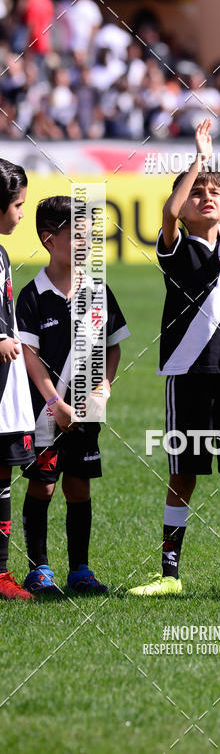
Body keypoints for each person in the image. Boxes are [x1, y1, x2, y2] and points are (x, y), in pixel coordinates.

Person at [127, 119, 220, 597]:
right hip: (186, 372)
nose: (206, 197)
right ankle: (169, 573)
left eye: (214, 191)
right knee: (183, 474)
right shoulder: (174, 245)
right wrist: (198, 159)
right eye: (198, 193)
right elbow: (170, 214)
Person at [16, 196, 130, 595]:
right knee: (43, 485)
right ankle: (39, 569)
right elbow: (28, 356)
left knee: (79, 485)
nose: (86, 243)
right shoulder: (31, 296)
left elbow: (114, 345)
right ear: (49, 239)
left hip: (85, 413)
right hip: (46, 414)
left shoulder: (98, 291)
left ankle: (80, 570)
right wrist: (54, 402)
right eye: (77, 235)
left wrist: (106, 385)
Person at [0, 159, 35, 599]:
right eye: (18, 205)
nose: (21, 214)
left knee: (3, 477)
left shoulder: (3, 253)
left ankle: (2, 572)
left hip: (6, 386)